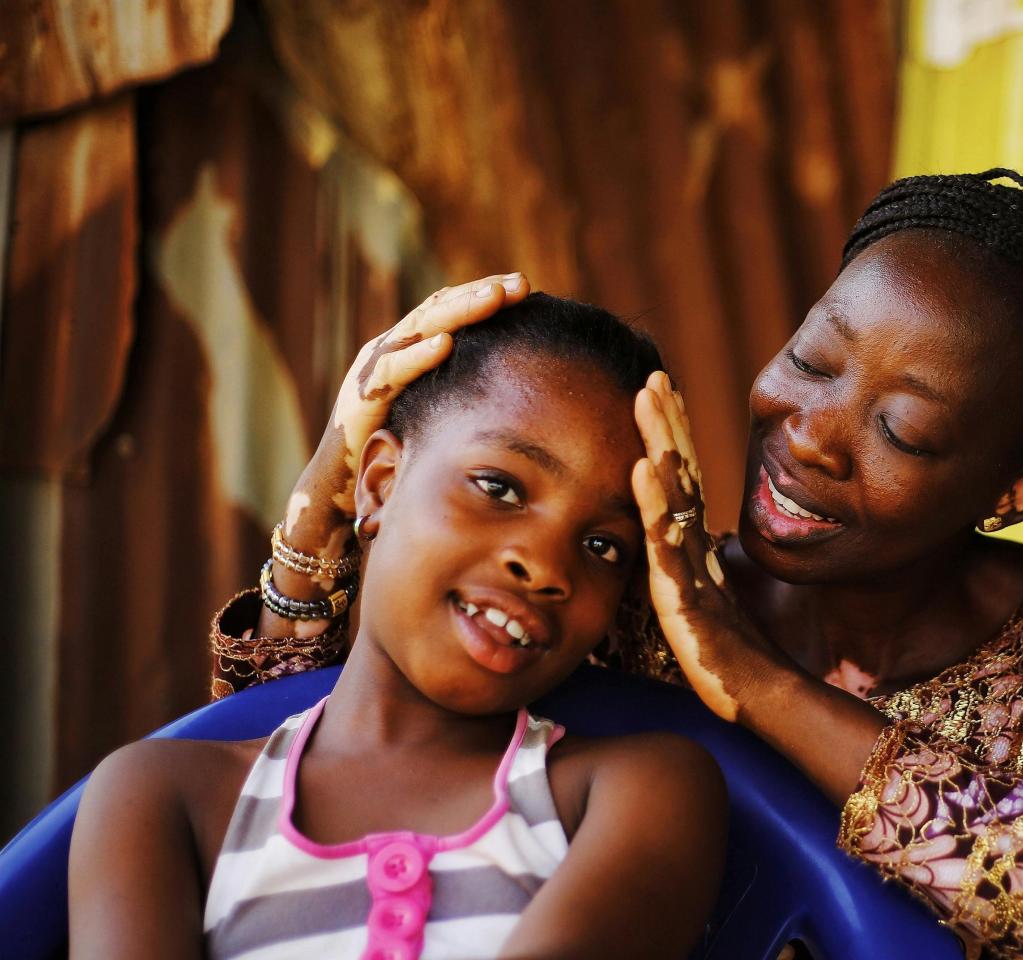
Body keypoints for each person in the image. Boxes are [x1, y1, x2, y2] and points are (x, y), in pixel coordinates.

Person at [213, 170, 1023, 959]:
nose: (809, 435)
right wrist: (330, 494)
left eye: (901, 430)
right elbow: (303, 760)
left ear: (1013, 491)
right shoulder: (627, 590)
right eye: (811, 359)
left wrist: (753, 681)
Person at [71, 295, 726, 960]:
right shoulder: (161, 794)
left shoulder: (638, 791)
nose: (546, 566)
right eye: (499, 488)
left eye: (603, 546)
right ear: (380, 484)